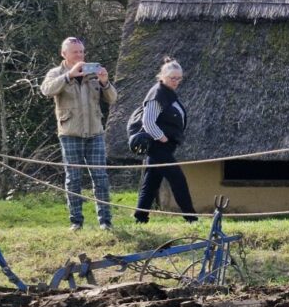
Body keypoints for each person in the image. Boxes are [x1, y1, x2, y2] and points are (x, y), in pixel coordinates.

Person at [39, 37, 117, 231]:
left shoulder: (93, 72)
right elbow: (46, 90)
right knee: (73, 178)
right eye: (75, 52)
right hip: (69, 132)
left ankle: (105, 222)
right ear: (63, 54)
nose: (80, 56)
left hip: (95, 132)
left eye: (82, 52)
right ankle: (76, 221)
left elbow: (113, 99)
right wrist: (69, 76)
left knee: (100, 177)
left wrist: (105, 82)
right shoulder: (56, 73)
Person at [134, 57, 197, 224]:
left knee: (151, 181)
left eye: (179, 78)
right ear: (162, 76)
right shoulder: (158, 94)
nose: (176, 81)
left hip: (164, 146)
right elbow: (147, 122)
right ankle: (191, 219)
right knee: (178, 179)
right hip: (158, 145)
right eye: (172, 78)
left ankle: (140, 218)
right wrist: (162, 138)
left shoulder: (167, 93)